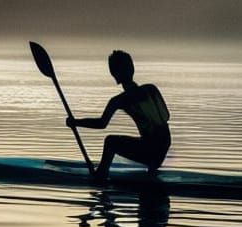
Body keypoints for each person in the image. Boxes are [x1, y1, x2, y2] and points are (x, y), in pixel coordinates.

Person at [66, 50, 170, 181]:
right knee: (150, 139)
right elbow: (166, 116)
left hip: (151, 151)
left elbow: (101, 124)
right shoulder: (151, 89)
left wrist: (75, 122)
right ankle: (151, 173)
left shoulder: (119, 100)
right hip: (165, 146)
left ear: (114, 75)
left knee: (111, 141)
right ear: (132, 69)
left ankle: (101, 175)